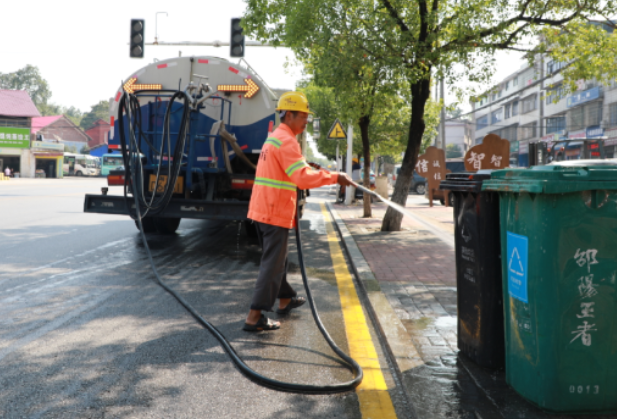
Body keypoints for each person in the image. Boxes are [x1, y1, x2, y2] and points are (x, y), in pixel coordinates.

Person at [244, 91, 353, 331]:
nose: (306, 121)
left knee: (277, 261)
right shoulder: (287, 140)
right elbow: (301, 178)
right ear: (289, 115)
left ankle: (285, 298)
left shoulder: (276, 137)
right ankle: (254, 317)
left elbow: (291, 168)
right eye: (303, 116)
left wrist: (307, 165)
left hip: (264, 208)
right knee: (272, 264)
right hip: (274, 211)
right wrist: (335, 176)